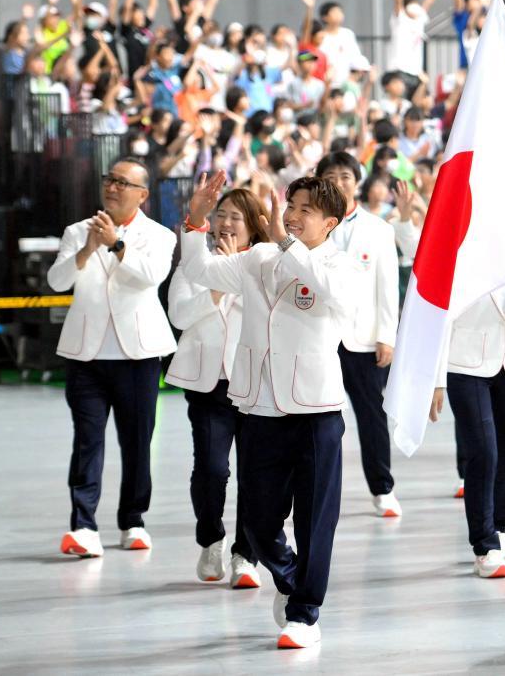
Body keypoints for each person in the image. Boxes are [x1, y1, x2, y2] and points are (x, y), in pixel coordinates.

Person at [181, 171, 357, 650]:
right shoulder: (257, 258)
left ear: (331, 223)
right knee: (258, 523)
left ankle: (304, 611)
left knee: (316, 519)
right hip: (258, 405)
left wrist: (286, 243)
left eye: (306, 210)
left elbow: (332, 295)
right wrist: (197, 223)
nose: (295, 216)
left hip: (316, 407)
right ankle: (293, 574)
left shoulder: (341, 266)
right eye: (291, 205)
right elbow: (201, 272)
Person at [48, 158, 177, 558]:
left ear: (142, 194)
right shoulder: (77, 231)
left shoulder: (159, 236)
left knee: (137, 442)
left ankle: (133, 519)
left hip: (137, 354)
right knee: (87, 439)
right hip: (86, 354)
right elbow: (57, 282)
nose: (113, 187)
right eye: (110, 180)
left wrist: (116, 245)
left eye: (123, 182)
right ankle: (83, 525)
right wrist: (86, 249)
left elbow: (151, 276)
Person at [165, 188, 269, 589]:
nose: (226, 223)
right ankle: (211, 539)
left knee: (255, 474)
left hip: (255, 384)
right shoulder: (196, 262)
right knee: (212, 469)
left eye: (236, 218)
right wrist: (217, 284)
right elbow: (179, 314)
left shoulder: (264, 263)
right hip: (209, 383)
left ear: (253, 225)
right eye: (221, 214)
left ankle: (247, 555)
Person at [429, 276, 505, 578]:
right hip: (466, 365)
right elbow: (442, 317)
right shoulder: (463, 255)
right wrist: (437, 379)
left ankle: (498, 529)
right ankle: (483, 544)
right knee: (483, 452)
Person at [317, 152, 402, 517]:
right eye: (331, 175)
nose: (339, 181)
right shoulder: (308, 226)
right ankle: (317, 486)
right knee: (317, 416)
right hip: (318, 337)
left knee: (371, 415)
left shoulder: (379, 229)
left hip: (363, 339)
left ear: (357, 180)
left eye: (346, 175)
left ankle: (382, 488)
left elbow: (388, 286)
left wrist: (387, 335)